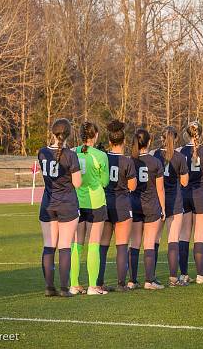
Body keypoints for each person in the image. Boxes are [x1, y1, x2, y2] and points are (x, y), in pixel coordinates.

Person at [37, 119, 82, 297]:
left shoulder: (42, 152)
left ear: (52, 133)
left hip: (48, 203)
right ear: (69, 134)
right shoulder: (70, 155)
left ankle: (49, 287)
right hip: (67, 203)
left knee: (49, 246)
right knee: (64, 246)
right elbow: (77, 183)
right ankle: (64, 288)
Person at [70, 122, 109, 296]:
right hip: (96, 203)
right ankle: (93, 286)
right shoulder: (100, 155)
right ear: (96, 135)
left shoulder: (73, 152)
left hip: (77, 202)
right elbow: (105, 181)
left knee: (77, 245)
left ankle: (74, 284)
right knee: (93, 244)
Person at [98, 120, 137, 292]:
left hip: (105, 204)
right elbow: (132, 186)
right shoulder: (127, 161)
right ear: (123, 141)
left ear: (109, 142)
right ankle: (121, 283)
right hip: (122, 205)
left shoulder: (103, 158)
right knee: (122, 245)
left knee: (103, 246)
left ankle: (98, 282)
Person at [179, 121, 203, 284]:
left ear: (186, 134)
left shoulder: (180, 152)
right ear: (200, 134)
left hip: (184, 195)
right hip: (201, 195)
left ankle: (183, 274)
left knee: (184, 235)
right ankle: (201, 275)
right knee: (199, 236)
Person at [128, 129, 166, 290]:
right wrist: (163, 208)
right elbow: (160, 189)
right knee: (149, 243)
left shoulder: (131, 160)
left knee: (134, 242)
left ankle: (132, 280)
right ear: (149, 142)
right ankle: (149, 280)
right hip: (151, 205)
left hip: (134, 204)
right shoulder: (155, 161)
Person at [153, 126, 189, 287]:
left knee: (154, 240)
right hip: (174, 200)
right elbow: (184, 182)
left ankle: (150, 276)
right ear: (175, 139)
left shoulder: (154, 154)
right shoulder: (179, 157)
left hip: (156, 201)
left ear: (161, 138)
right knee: (173, 239)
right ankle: (174, 278)